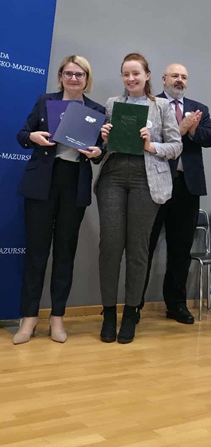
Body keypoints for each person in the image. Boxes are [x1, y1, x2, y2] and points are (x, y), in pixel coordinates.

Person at [15, 55, 105, 344]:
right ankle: (29, 318)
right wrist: (34, 137)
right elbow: (22, 134)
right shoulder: (46, 102)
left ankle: (57, 317)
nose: (73, 78)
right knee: (36, 253)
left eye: (79, 74)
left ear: (87, 78)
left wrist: (98, 152)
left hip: (73, 183)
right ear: (61, 76)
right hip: (43, 181)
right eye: (69, 73)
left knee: (65, 253)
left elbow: (99, 150)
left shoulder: (97, 110)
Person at [96, 53, 182, 344]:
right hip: (113, 176)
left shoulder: (162, 106)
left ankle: (131, 312)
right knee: (110, 245)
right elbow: (103, 146)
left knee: (138, 248)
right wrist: (104, 138)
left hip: (147, 179)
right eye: (126, 74)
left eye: (136, 73)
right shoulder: (112, 104)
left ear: (147, 75)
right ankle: (109, 313)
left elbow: (176, 146)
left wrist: (151, 145)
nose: (131, 78)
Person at [140, 63, 211, 324]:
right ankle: (135, 305)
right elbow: (147, 139)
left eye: (184, 76)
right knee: (145, 246)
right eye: (175, 76)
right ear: (163, 79)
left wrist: (192, 129)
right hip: (156, 183)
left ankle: (176, 305)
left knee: (180, 249)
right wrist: (180, 129)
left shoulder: (198, 109)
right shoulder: (151, 104)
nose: (180, 80)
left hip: (187, 186)